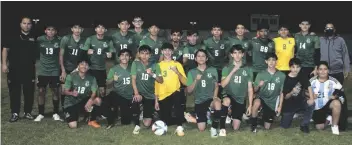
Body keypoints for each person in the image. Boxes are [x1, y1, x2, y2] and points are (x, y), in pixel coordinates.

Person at [186, 49, 230, 138]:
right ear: (195, 59)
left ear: (206, 59)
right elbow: (189, 91)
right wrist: (195, 80)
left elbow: (216, 85)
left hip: (210, 99)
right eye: (198, 56)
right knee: (201, 128)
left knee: (217, 102)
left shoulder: (213, 70)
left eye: (203, 56)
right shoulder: (191, 72)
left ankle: (214, 128)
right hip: (199, 101)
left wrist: (214, 97)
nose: (201, 58)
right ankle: (207, 116)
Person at [2, 17, 37, 122]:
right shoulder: (12, 36)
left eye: (29, 23)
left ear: (31, 25)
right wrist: (4, 64)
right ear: (20, 24)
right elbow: (5, 50)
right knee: (14, 92)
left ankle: (27, 112)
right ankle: (15, 113)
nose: (26, 25)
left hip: (29, 69)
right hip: (14, 69)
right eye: (24, 23)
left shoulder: (34, 37)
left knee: (29, 92)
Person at [155, 43, 187, 136]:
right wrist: (156, 101)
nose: (167, 52)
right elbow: (156, 84)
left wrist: (177, 72)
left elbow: (185, 82)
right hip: (163, 95)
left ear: (172, 52)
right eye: (165, 50)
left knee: (178, 96)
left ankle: (180, 126)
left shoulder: (177, 64)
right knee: (166, 121)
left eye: (169, 50)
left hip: (175, 93)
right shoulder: (158, 65)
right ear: (162, 52)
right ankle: (183, 117)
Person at [131, 45, 163, 134]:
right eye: (142, 53)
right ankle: (137, 124)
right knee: (135, 100)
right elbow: (133, 79)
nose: (144, 56)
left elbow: (161, 80)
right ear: (139, 54)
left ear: (150, 55)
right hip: (140, 93)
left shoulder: (155, 65)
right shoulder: (135, 64)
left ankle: (150, 114)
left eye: (147, 54)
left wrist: (152, 74)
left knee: (147, 124)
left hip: (150, 95)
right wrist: (136, 93)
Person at [250, 53, 285, 133]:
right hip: (262, 98)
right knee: (256, 103)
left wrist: (280, 106)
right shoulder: (261, 74)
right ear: (266, 61)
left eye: (273, 60)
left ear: (276, 62)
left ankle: (261, 117)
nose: (271, 62)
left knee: (267, 127)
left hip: (272, 101)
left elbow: (282, 92)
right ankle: (253, 125)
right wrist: (258, 85)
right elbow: (255, 90)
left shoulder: (282, 75)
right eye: (269, 60)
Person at [221, 45, 253, 131]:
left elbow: (250, 89)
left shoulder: (248, 69)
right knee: (226, 101)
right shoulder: (226, 68)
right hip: (228, 96)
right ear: (231, 55)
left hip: (240, 99)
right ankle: (222, 126)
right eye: (235, 53)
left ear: (243, 54)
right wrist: (233, 71)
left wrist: (250, 105)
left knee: (235, 128)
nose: (237, 55)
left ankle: (231, 114)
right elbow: (223, 85)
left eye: (239, 53)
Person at [34, 25, 62, 122]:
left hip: (54, 70)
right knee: (41, 91)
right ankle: (41, 113)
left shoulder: (59, 40)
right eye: (48, 29)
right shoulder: (39, 39)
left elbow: (61, 54)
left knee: (55, 91)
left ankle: (55, 113)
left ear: (55, 31)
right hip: (43, 70)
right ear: (45, 31)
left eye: (53, 30)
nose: (50, 31)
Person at [63, 60, 102, 129]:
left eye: (86, 65)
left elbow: (94, 93)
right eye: (82, 64)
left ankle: (91, 119)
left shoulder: (92, 78)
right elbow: (65, 91)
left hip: (83, 101)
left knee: (98, 100)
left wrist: (90, 100)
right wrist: (71, 93)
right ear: (78, 66)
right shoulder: (71, 76)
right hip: (71, 103)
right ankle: (70, 114)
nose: (84, 66)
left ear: (88, 67)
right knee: (73, 126)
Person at [280, 58, 315, 133]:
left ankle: (304, 125)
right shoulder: (286, 78)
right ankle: (292, 115)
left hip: (300, 103)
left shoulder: (302, 75)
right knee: (284, 126)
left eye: (297, 67)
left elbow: (309, 86)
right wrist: (292, 92)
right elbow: (285, 97)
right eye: (293, 67)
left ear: (300, 67)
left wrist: (311, 98)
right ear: (290, 68)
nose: (295, 69)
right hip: (289, 106)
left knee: (311, 104)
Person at [310, 61, 345, 135]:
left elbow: (342, 91)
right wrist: (311, 95)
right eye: (320, 69)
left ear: (328, 70)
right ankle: (329, 119)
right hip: (317, 108)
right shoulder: (312, 80)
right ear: (317, 70)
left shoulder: (333, 80)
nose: (323, 71)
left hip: (328, 105)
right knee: (319, 127)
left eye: (325, 69)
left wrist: (335, 96)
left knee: (336, 103)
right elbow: (305, 92)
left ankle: (334, 126)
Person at [81, 23, 114, 100]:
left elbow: (111, 53)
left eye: (102, 28)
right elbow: (83, 53)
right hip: (90, 68)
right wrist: (87, 52)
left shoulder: (108, 40)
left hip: (101, 69)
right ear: (95, 29)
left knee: (102, 91)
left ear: (105, 30)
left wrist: (110, 54)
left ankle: (102, 108)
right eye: (98, 27)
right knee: (89, 90)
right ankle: (89, 108)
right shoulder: (90, 39)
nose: (100, 29)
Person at [104, 49, 135, 129]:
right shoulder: (114, 69)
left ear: (130, 57)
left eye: (127, 55)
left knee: (126, 122)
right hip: (118, 94)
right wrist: (113, 79)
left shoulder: (133, 68)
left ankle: (122, 113)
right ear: (119, 57)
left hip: (129, 96)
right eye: (122, 55)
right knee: (107, 100)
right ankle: (110, 120)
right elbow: (107, 83)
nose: (124, 57)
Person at [59, 23, 86, 110]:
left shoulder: (84, 40)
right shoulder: (66, 39)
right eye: (75, 28)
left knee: (77, 89)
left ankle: (77, 109)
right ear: (72, 29)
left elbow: (84, 57)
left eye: (79, 28)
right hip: (66, 68)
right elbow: (61, 55)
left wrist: (79, 69)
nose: (77, 30)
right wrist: (63, 70)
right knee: (64, 90)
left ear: (82, 30)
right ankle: (64, 110)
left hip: (78, 68)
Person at [203, 25, 228, 97]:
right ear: (212, 32)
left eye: (218, 30)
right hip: (211, 68)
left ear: (221, 32)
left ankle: (220, 102)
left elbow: (227, 54)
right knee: (211, 87)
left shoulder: (225, 42)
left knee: (220, 87)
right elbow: (203, 54)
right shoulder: (207, 42)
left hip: (221, 68)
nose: (216, 31)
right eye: (214, 30)